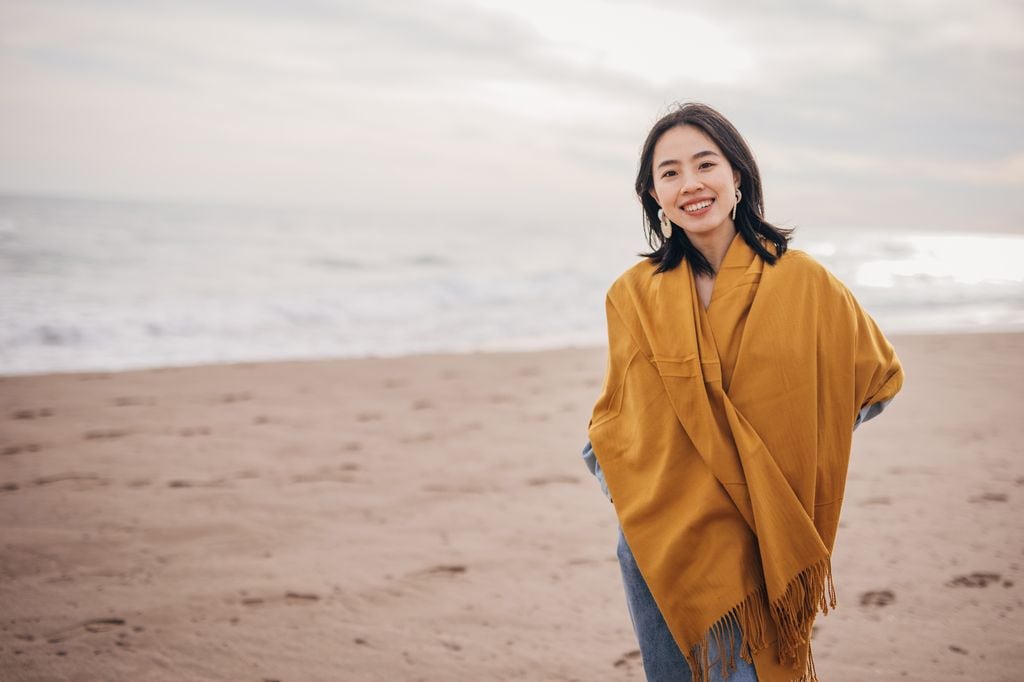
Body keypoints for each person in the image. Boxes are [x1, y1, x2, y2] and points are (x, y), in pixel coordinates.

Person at [582, 103, 904, 682]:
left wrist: (778, 456)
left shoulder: (803, 281)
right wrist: (641, 495)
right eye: (670, 173)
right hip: (663, 539)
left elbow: (873, 381)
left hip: (762, 533)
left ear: (738, 177)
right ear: (654, 194)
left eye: (706, 164)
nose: (691, 184)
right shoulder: (632, 295)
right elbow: (615, 422)